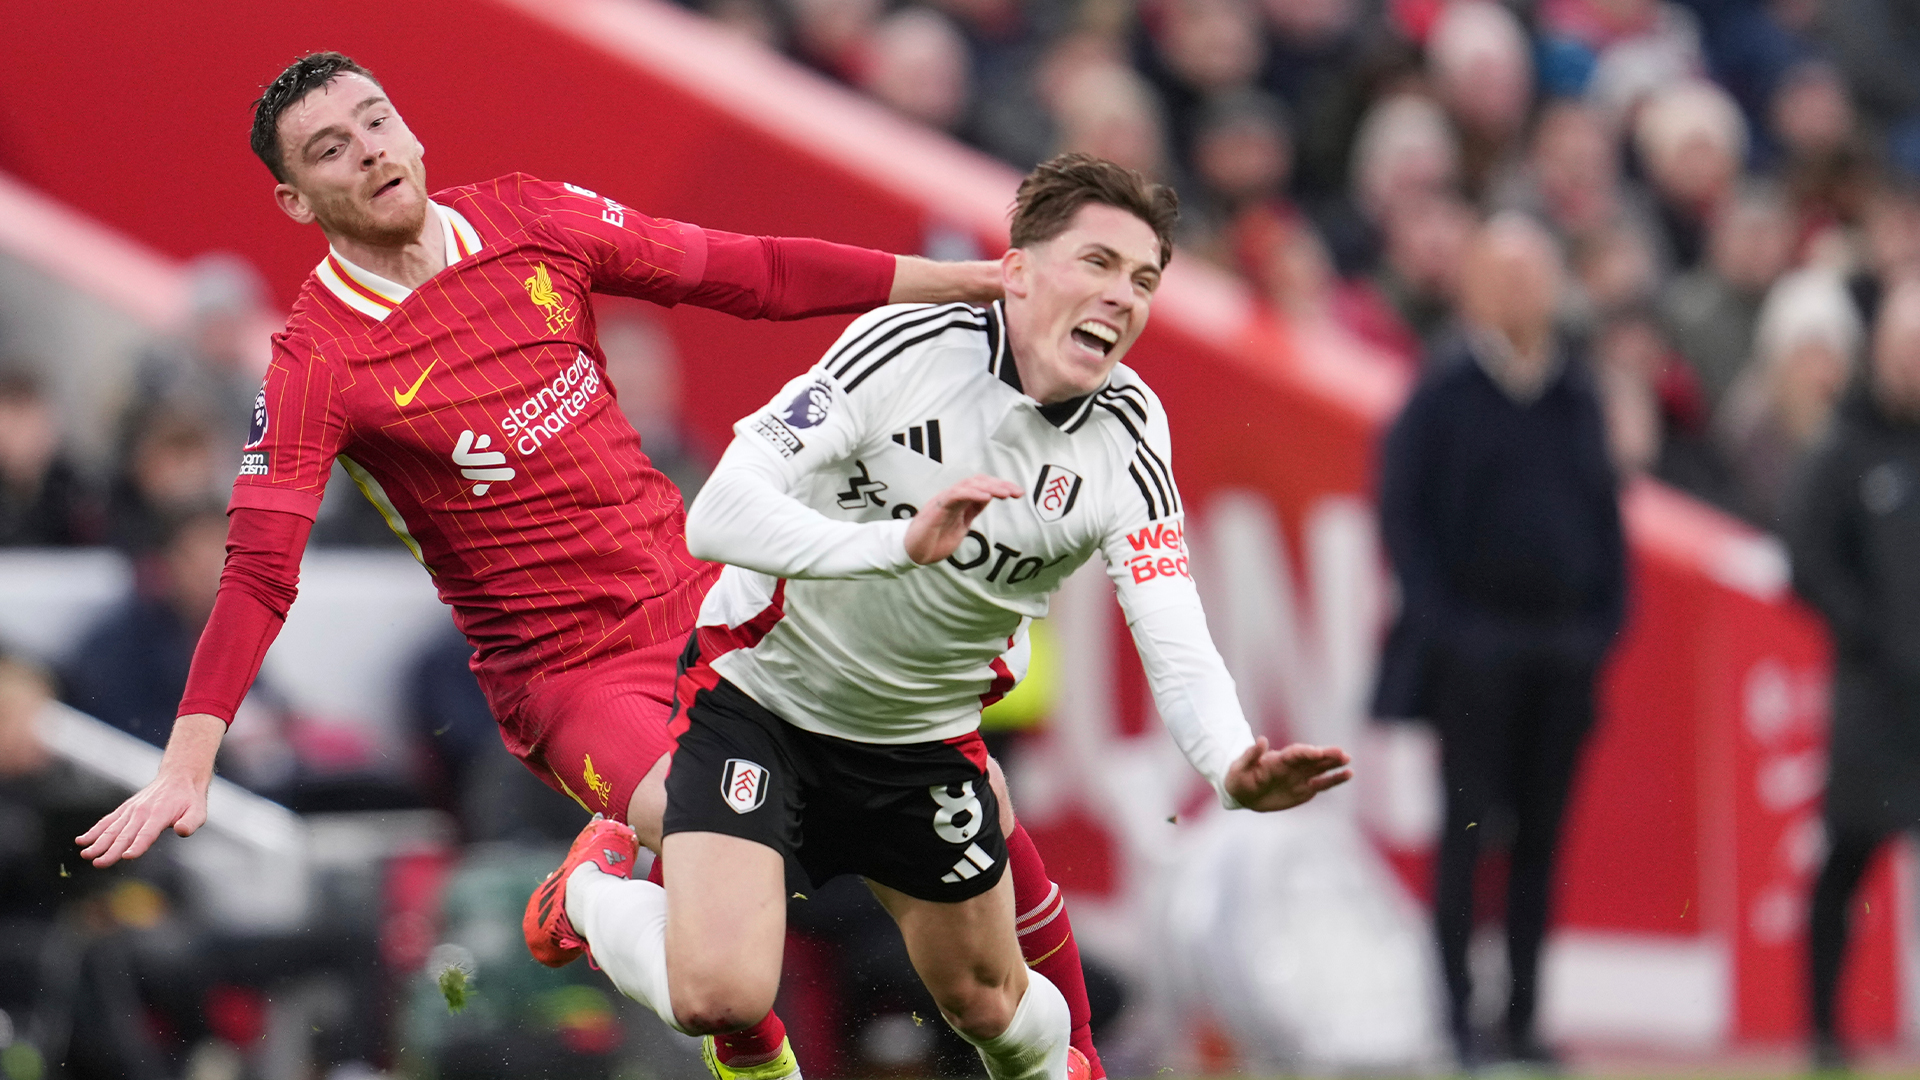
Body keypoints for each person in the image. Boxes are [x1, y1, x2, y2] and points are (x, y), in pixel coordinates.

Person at [73, 50, 1114, 1080]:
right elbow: (259, 570)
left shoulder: (530, 219)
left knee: (977, 834)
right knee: (735, 940)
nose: (371, 154)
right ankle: (590, 901)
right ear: (298, 201)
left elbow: (746, 271)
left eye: (377, 122)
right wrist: (187, 757)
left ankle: (1080, 1061)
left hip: (712, 598)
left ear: (412, 130)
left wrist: (964, 283)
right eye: (331, 150)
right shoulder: (318, 365)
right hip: (574, 673)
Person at [525, 153, 1353, 1080]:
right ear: (1021, 270)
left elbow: (1171, 622)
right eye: (1099, 263)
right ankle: (594, 894)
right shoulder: (907, 350)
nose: (1123, 296)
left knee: (989, 1006)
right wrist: (895, 545)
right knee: (720, 996)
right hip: (762, 707)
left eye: (1144, 279)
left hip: (918, 744)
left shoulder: (1129, 434)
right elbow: (720, 511)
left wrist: (1230, 763)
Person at [1373, 214, 1627, 1068]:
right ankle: (1457, 1017)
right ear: (1471, 285)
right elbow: (1403, 520)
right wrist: (1451, 633)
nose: (1521, 291)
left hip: (1561, 656)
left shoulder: (1577, 392)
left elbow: (1605, 521)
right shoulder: (1441, 393)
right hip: (1473, 658)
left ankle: (1522, 1017)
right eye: (1503, 273)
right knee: (1468, 836)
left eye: (1534, 273)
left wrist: (1600, 632)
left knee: (1542, 844)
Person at [1785, 276, 1920, 1073]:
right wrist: (1867, 631)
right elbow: (1805, 554)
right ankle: (1823, 1032)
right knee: (1848, 857)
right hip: (1877, 694)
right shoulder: (1846, 447)